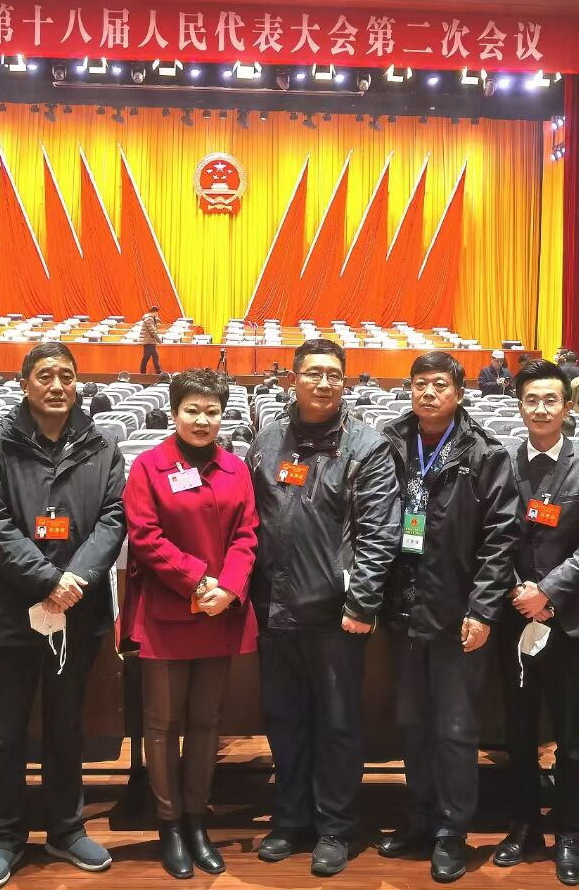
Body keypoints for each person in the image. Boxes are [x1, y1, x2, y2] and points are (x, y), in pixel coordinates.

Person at [0, 342, 126, 887]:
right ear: (24, 384)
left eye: (66, 376)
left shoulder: (101, 443)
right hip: (13, 609)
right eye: (44, 376)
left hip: (77, 610)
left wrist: (74, 578)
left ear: (77, 382)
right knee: (6, 730)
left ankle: (66, 828)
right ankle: (5, 836)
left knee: (67, 725)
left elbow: (113, 517)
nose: (57, 386)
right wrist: (46, 579)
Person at [247, 338, 400, 877]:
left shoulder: (367, 446)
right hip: (275, 609)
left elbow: (380, 534)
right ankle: (290, 818)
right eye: (313, 372)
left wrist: (362, 603)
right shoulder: (267, 440)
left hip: (336, 615)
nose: (324, 382)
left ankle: (334, 826)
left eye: (334, 373)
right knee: (284, 720)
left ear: (345, 381)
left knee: (337, 724)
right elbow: (251, 522)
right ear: (292, 379)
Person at [376, 352, 516, 884]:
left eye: (439, 384)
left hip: (459, 613)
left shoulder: (484, 453)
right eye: (420, 384)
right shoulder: (391, 442)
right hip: (403, 610)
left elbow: (500, 540)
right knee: (413, 725)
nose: (428, 393)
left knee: (455, 730)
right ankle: (419, 817)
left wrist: (482, 608)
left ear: (459, 392)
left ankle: (451, 831)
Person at [120, 369, 259, 878]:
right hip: (168, 610)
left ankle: (198, 820)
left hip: (219, 611)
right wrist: (199, 580)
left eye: (212, 411)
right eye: (192, 410)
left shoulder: (235, 468)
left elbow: (248, 534)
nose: (202, 420)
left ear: (223, 416)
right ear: (175, 412)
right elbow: (145, 535)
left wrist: (230, 588)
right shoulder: (149, 466)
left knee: (206, 721)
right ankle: (170, 824)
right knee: (161, 723)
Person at [493, 359, 579, 884]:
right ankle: (524, 825)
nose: (540, 409)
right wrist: (520, 590)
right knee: (518, 732)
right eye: (531, 400)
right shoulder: (501, 462)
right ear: (519, 407)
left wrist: (548, 592)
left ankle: (567, 831)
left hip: (567, 621)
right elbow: (492, 536)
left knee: (568, 737)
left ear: (567, 406)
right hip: (513, 616)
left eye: (550, 400)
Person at [139, 306, 164, 375]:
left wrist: (157, 320)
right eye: (157, 313)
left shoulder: (149, 318)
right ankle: (158, 372)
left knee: (148, 357)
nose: (157, 315)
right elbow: (152, 331)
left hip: (149, 341)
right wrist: (158, 340)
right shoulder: (149, 319)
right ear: (154, 312)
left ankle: (144, 372)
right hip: (149, 341)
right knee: (151, 357)